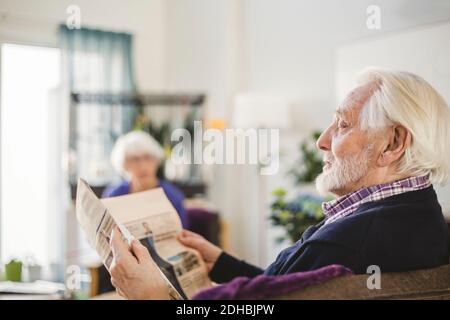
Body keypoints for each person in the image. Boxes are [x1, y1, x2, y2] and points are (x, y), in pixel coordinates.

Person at [108, 68, 450, 299]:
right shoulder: (423, 215)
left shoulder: (347, 242)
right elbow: (295, 289)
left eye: (342, 124)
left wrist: (150, 295)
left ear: (392, 143)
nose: (322, 141)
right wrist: (224, 264)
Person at [103, 131, 188, 228]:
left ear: (156, 160)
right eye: (135, 159)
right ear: (124, 164)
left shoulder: (173, 195)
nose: (143, 166)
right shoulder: (114, 195)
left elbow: (183, 232)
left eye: (148, 158)